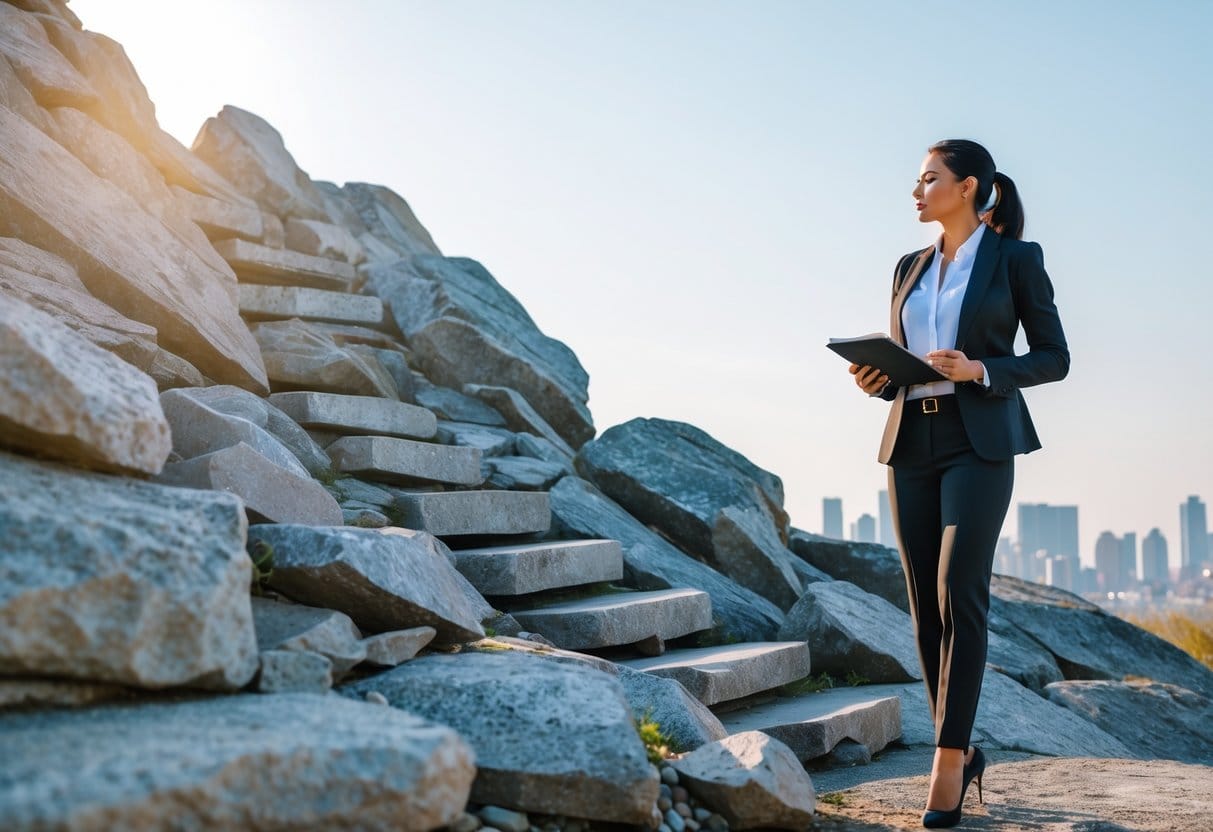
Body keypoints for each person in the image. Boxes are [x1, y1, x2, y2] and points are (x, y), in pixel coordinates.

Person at [848, 139, 1069, 828]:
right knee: (923, 604)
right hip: (910, 438)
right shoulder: (906, 267)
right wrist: (873, 376)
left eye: (927, 179)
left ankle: (947, 761)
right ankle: (963, 748)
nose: (915, 192)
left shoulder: (1014, 260)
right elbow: (903, 364)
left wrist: (981, 370)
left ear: (968, 185)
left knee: (957, 588)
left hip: (979, 441)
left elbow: (1054, 358)